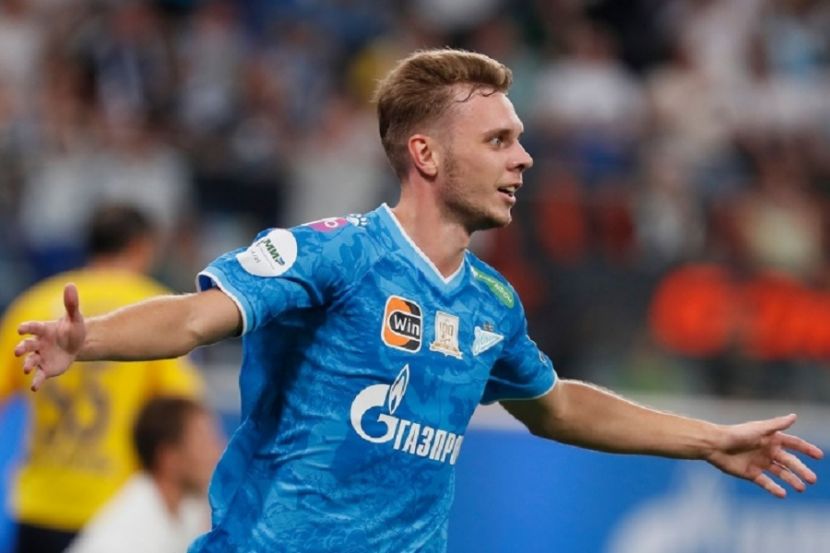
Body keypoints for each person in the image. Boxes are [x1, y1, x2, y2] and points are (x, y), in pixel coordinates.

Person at [13, 49, 823, 553]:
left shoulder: (492, 304)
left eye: (520, 138)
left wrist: (708, 440)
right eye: (499, 140)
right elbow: (194, 317)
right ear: (426, 154)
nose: (525, 158)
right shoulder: (334, 253)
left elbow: (558, 405)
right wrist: (89, 339)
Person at [0, 204, 204, 553]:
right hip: (115, 511)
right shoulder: (154, 311)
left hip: (39, 505)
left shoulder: (33, 305)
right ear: (141, 246)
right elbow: (183, 413)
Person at [67, 396, 223, 553]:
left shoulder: (188, 507)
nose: (218, 451)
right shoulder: (124, 539)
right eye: (204, 442)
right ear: (169, 458)